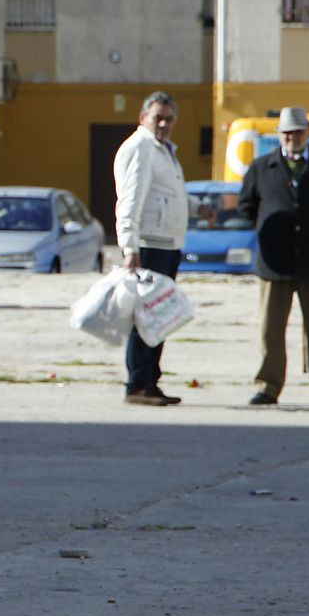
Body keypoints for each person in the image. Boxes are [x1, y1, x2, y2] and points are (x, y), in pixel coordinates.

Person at [236, 106, 309, 406]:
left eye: (298, 132)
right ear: (279, 135)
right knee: (270, 329)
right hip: (274, 264)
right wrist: (271, 231)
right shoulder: (262, 167)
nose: (293, 138)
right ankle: (268, 386)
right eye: (287, 133)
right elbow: (246, 206)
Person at [113, 91, 188, 406]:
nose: (163, 123)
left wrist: (197, 207)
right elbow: (129, 199)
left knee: (159, 316)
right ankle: (138, 384)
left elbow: (167, 195)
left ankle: (150, 381)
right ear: (142, 118)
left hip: (165, 243)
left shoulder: (162, 150)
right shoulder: (142, 146)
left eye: (169, 118)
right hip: (148, 244)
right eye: (157, 117)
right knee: (146, 317)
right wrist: (129, 245)